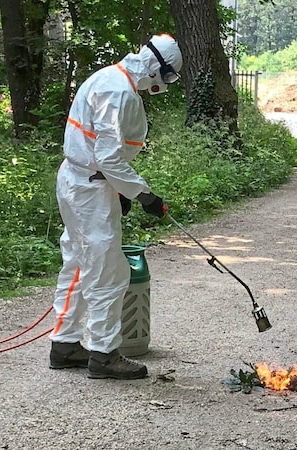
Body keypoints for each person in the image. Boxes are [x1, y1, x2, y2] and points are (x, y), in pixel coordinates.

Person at [48, 34, 182, 380]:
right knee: (109, 271)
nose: (164, 84)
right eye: (166, 76)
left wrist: (121, 192)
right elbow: (108, 156)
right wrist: (143, 194)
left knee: (78, 262)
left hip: (81, 180)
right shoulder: (118, 91)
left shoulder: (108, 77)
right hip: (90, 188)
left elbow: (100, 148)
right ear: (154, 68)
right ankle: (104, 355)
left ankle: (64, 345)